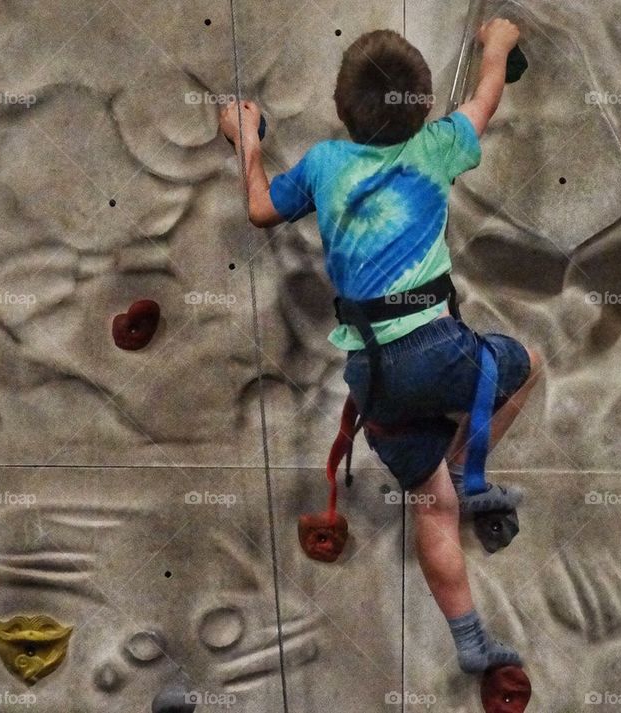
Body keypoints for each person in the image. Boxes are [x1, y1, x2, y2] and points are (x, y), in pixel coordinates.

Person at [220, 19, 542, 674]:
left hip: (371, 374)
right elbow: (484, 100)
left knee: (431, 508)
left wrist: (245, 140)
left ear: (342, 110)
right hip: (437, 346)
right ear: (423, 107)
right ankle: (464, 464)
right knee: (525, 366)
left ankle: (470, 637)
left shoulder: (324, 164)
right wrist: (498, 47)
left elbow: (259, 209)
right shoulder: (439, 145)